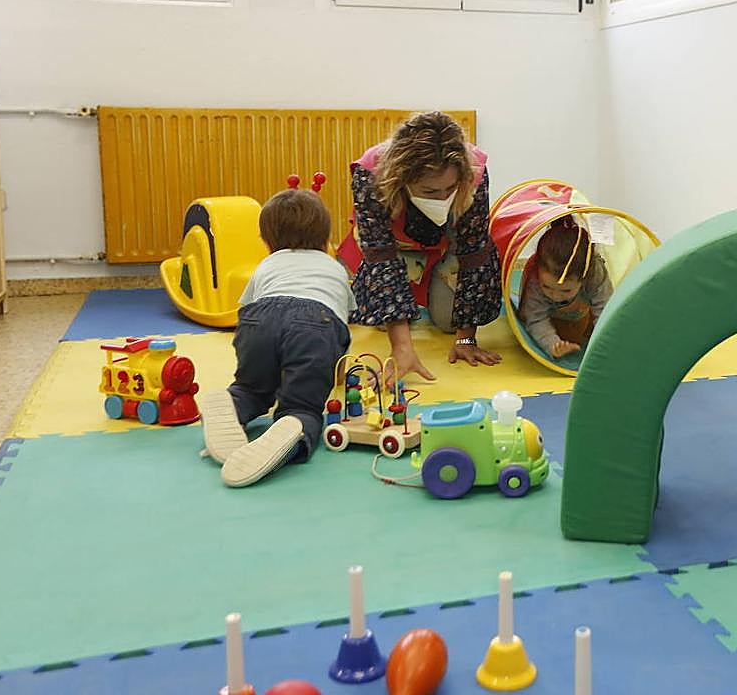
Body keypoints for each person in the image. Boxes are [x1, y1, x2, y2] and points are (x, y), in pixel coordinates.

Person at [199, 187, 354, 487]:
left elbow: (246, 310)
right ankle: (294, 422)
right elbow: (341, 327)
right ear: (325, 238)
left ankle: (233, 402)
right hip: (315, 323)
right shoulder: (334, 269)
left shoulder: (267, 265)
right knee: (303, 405)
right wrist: (337, 375)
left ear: (267, 241)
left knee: (252, 388)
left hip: (259, 320)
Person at [344, 111, 502, 382]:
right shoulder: (371, 175)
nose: (443, 197)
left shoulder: (473, 171)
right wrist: (402, 348)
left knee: (447, 322)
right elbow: (381, 256)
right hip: (397, 243)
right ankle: (409, 292)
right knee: (379, 315)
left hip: (446, 242)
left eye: (450, 188)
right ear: (402, 179)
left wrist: (466, 340)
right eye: (430, 191)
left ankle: (429, 285)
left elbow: (474, 250)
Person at [519, 217, 613, 359]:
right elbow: (536, 318)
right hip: (549, 315)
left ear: (584, 278)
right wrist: (553, 345)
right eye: (547, 287)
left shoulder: (595, 274)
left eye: (566, 290)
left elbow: (606, 310)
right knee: (530, 321)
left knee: (591, 327)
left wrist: (606, 343)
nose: (555, 296)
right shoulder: (535, 278)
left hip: (578, 313)